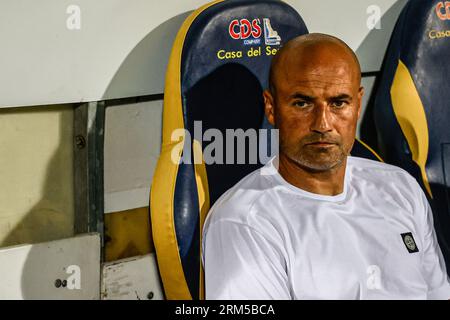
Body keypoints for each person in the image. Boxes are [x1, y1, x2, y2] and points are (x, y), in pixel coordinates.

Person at [201, 33, 450, 299]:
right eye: (302, 103)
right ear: (272, 108)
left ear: (357, 105)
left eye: (338, 103)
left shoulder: (400, 188)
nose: (322, 124)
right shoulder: (245, 221)